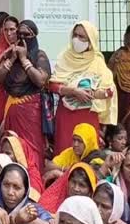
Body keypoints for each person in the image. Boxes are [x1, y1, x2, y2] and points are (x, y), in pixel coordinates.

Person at [49, 21, 117, 155]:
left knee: (88, 154)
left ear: (90, 41)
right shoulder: (65, 57)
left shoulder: (97, 61)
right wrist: (73, 91)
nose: (77, 40)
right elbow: (52, 85)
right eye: (75, 35)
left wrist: (96, 93)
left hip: (88, 115)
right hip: (66, 115)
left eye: (82, 37)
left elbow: (109, 91)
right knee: (65, 152)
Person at [0, 19, 51, 168]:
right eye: (19, 34)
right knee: (11, 150)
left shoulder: (39, 55)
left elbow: (40, 80)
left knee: (31, 152)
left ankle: (33, 183)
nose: (22, 38)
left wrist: (23, 59)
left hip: (31, 113)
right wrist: (13, 58)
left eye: (26, 34)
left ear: (34, 36)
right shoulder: (11, 54)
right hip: (12, 110)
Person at [109, 24, 130, 133]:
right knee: (126, 127)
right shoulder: (119, 55)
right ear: (125, 37)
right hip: (124, 95)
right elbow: (110, 76)